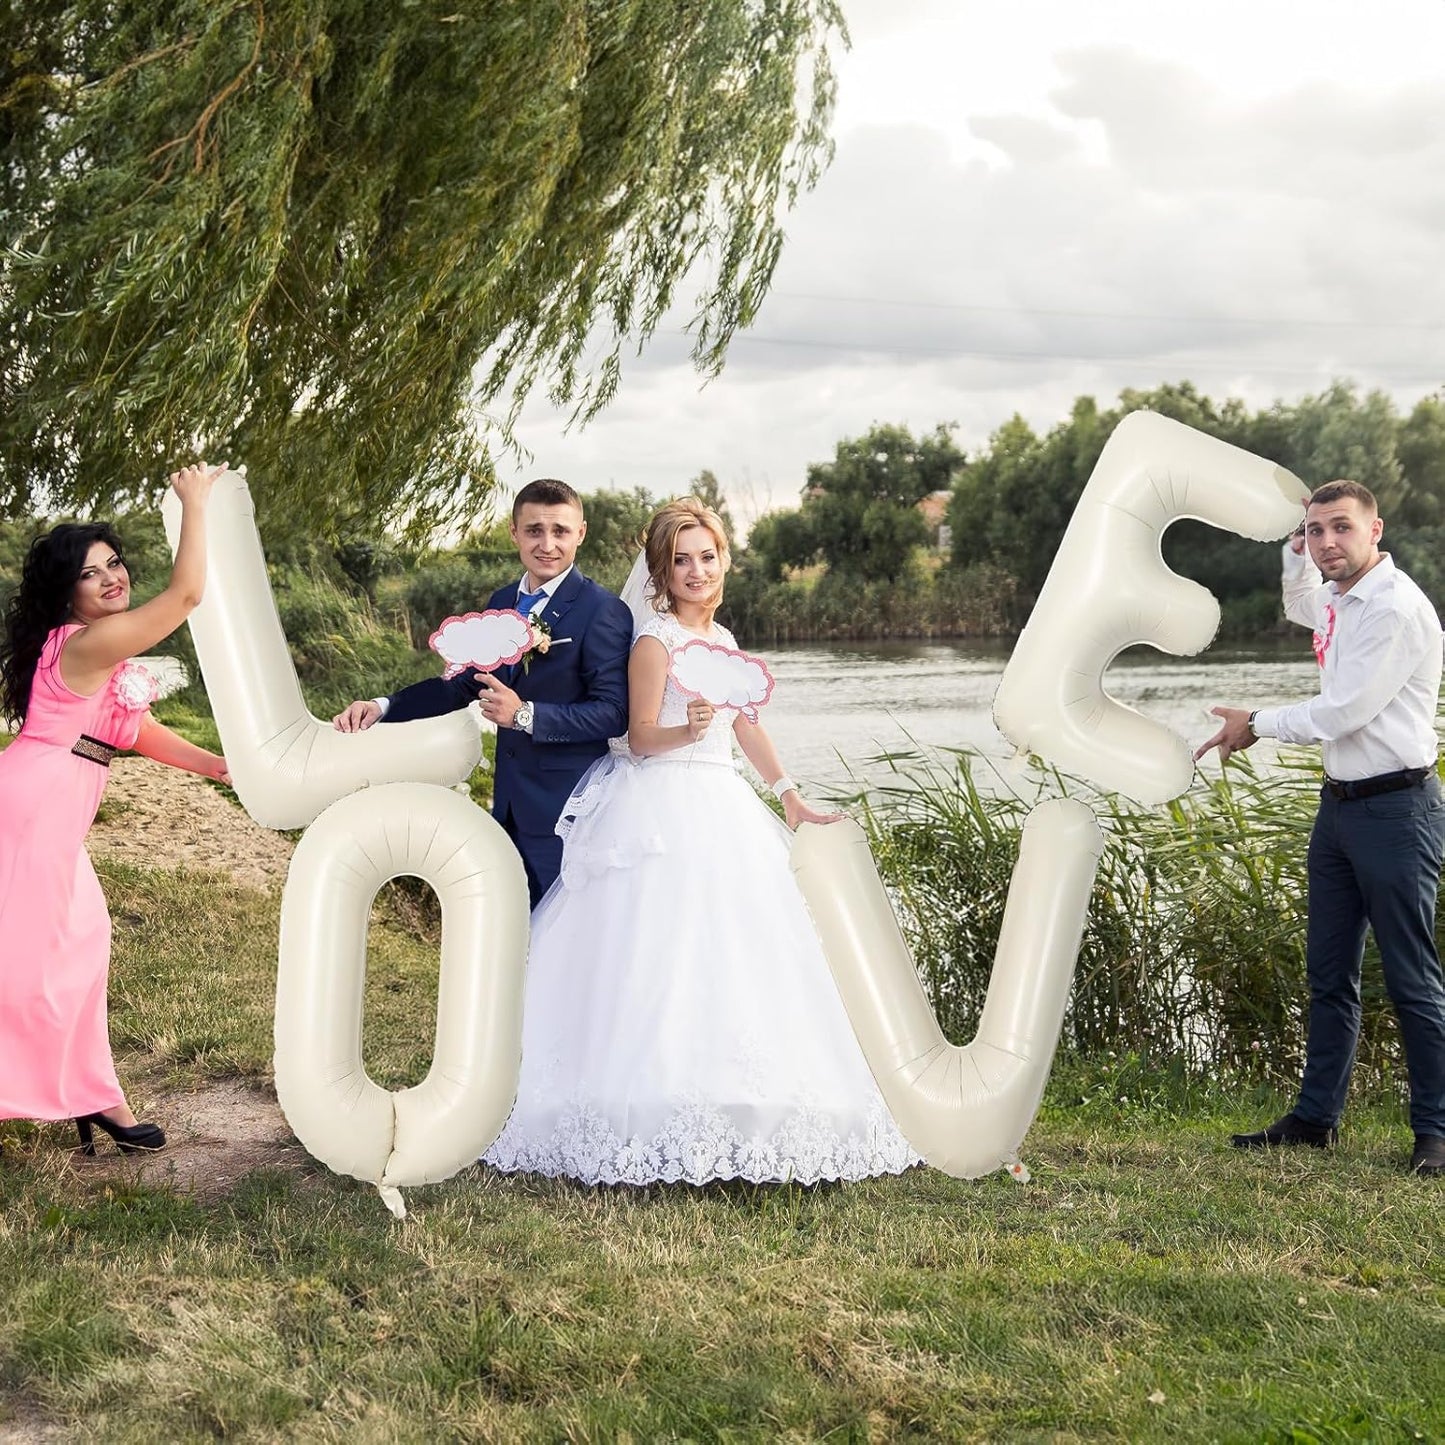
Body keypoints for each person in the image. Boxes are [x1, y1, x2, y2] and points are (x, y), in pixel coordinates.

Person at [482, 497, 920, 1185]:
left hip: (724, 802)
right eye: (680, 559)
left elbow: (746, 725)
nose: (695, 569)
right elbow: (634, 736)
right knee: (658, 954)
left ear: (722, 562)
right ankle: (639, 1103)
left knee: (740, 952)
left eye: (705, 557)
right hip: (660, 800)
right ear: (661, 568)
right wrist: (685, 730)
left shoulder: (725, 639)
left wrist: (789, 795)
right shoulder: (654, 640)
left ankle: (739, 1102)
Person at [1195, 480, 1445, 1177]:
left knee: (1411, 979)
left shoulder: (1392, 609)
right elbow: (1303, 599)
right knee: (1327, 976)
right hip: (1338, 810)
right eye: (1313, 531)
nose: (1325, 543)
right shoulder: (1340, 598)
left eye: (1340, 528)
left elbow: (1341, 713)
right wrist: (1287, 537)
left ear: (1375, 530)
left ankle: (1435, 1132)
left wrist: (1256, 724)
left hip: (1397, 811)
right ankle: (1313, 1119)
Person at [0, 464, 231, 1155]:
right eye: (90, 572)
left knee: (80, 945)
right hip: (31, 810)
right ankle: (87, 1097)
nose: (112, 578)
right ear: (65, 592)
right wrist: (194, 501)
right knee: (24, 961)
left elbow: (128, 731)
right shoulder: (88, 642)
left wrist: (218, 766)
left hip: (49, 811)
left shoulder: (92, 655)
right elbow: (187, 592)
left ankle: (92, 1094)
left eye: (114, 563)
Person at [334, 478, 631, 907]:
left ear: (580, 533)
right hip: (508, 806)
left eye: (560, 531)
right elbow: (462, 685)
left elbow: (613, 713)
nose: (547, 544)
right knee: (515, 934)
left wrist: (525, 714)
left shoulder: (602, 611)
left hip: (566, 814)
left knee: (557, 942)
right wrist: (382, 706)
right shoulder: (502, 600)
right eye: (534, 530)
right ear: (514, 532)